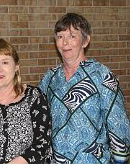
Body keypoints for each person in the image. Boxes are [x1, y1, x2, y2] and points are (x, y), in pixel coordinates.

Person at [38, 13, 130, 163]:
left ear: (85, 41)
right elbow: (39, 119)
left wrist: (120, 160)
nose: (65, 43)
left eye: (72, 36)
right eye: (60, 37)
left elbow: (118, 124)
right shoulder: (50, 78)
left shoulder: (102, 76)